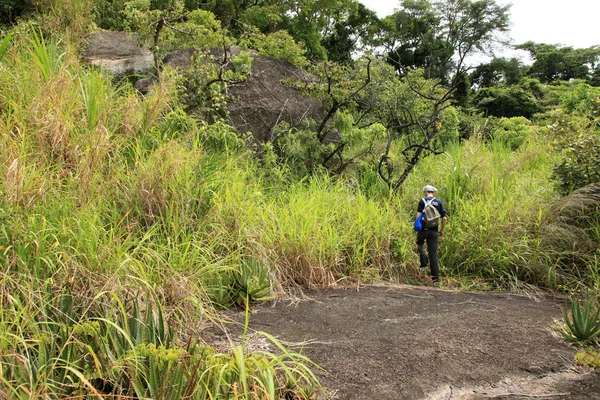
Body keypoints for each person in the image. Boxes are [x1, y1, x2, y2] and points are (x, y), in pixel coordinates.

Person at [416, 185, 447, 284]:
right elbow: (444, 218)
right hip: (434, 232)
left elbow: (418, 217)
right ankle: (435, 279)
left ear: (425, 192)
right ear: (433, 192)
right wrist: (441, 230)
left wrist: (417, 227)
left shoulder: (422, 201)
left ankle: (423, 259)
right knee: (433, 254)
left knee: (419, 243)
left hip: (423, 231)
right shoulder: (439, 202)